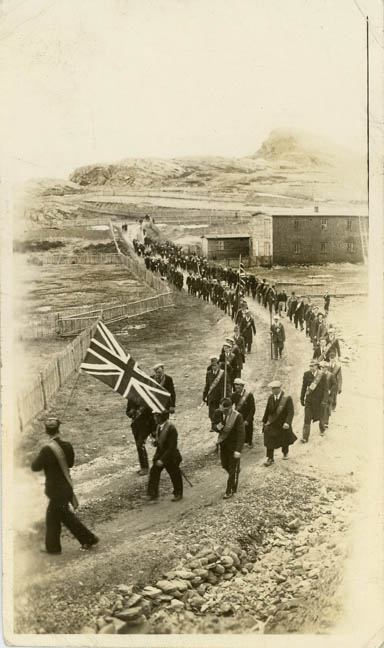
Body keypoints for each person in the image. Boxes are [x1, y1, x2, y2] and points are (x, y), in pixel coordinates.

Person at [31, 417, 99, 554]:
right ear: (59, 429)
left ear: (46, 431)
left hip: (55, 491)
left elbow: (35, 467)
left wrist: (42, 454)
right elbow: (71, 464)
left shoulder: (46, 450)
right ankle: (53, 547)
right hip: (66, 487)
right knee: (54, 517)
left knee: (63, 517)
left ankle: (88, 539)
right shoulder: (67, 446)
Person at [145, 410, 183, 502]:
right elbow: (161, 442)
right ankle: (152, 494)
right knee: (154, 471)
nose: (154, 418)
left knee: (174, 474)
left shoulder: (171, 428)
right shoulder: (159, 426)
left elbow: (171, 447)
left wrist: (162, 460)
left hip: (171, 456)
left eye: (155, 416)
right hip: (161, 454)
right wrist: (155, 443)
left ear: (161, 417)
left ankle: (178, 493)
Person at [211, 398, 245, 499]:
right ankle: (235, 471)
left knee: (231, 468)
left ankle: (229, 490)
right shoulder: (217, 412)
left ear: (230, 408)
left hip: (234, 446)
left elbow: (241, 434)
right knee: (224, 464)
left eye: (226, 409)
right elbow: (213, 425)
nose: (224, 411)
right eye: (222, 409)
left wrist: (238, 450)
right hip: (223, 444)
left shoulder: (237, 416)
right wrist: (217, 427)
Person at [261, 380, 296, 466]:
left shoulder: (287, 398)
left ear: (279, 389)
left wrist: (287, 422)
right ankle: (270, 458)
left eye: (275, 388)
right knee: (269, 439)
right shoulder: (271, 397)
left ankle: (285, 452)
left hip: (282, 423)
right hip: (272, 423)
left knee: (284, 440)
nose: (273, 390)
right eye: (272, 389)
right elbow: (267, 410)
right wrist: (264, 421)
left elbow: (290, 411)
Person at [300, 359, 328, 442]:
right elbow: (304, 387)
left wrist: (324, 400)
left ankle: (322, 429)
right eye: (310, 366)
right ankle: (305, 437)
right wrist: (302, 398)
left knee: (321, 415)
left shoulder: (322, 375)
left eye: (312, 366)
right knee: (307, 418)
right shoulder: (306, 374)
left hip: (319, 400)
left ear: (317, 366)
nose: (311, 367)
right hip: (309, 400)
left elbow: (326, 389)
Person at [126, 404, 156, 475]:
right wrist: (132, 412)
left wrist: (154, 428)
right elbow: (127, 412)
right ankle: (144, 467)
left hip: (147, 425)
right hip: (136, 426)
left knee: (160, 442)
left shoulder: (147, 398)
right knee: (139, 446)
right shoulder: (132, 399)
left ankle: (169, 459)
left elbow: (154, 414)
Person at [203, 356, 230, 422]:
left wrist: (227, 396)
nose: (213, 367)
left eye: (215, 365)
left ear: (218, 365)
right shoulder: (209, 373)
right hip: (212, 396)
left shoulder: (223, 373)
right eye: (212, 366)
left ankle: (219, 423)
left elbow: (227, 386)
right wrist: (204, 395)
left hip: (220, 396)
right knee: (211, 412)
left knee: (219, 411)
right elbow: (207, 385)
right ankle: (213, 424)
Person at [231, 378, 256, 448]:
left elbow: (252, 409)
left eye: (238, 385)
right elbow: (230, 404)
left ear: (242, 386)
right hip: (238, 416)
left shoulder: (249, 395)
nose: (236, 387)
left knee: (248, 430)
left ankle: (249, 442)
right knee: (238, 430)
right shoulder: (234, 395)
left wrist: (248, 419)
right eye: (235, 385)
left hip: (247, 416)